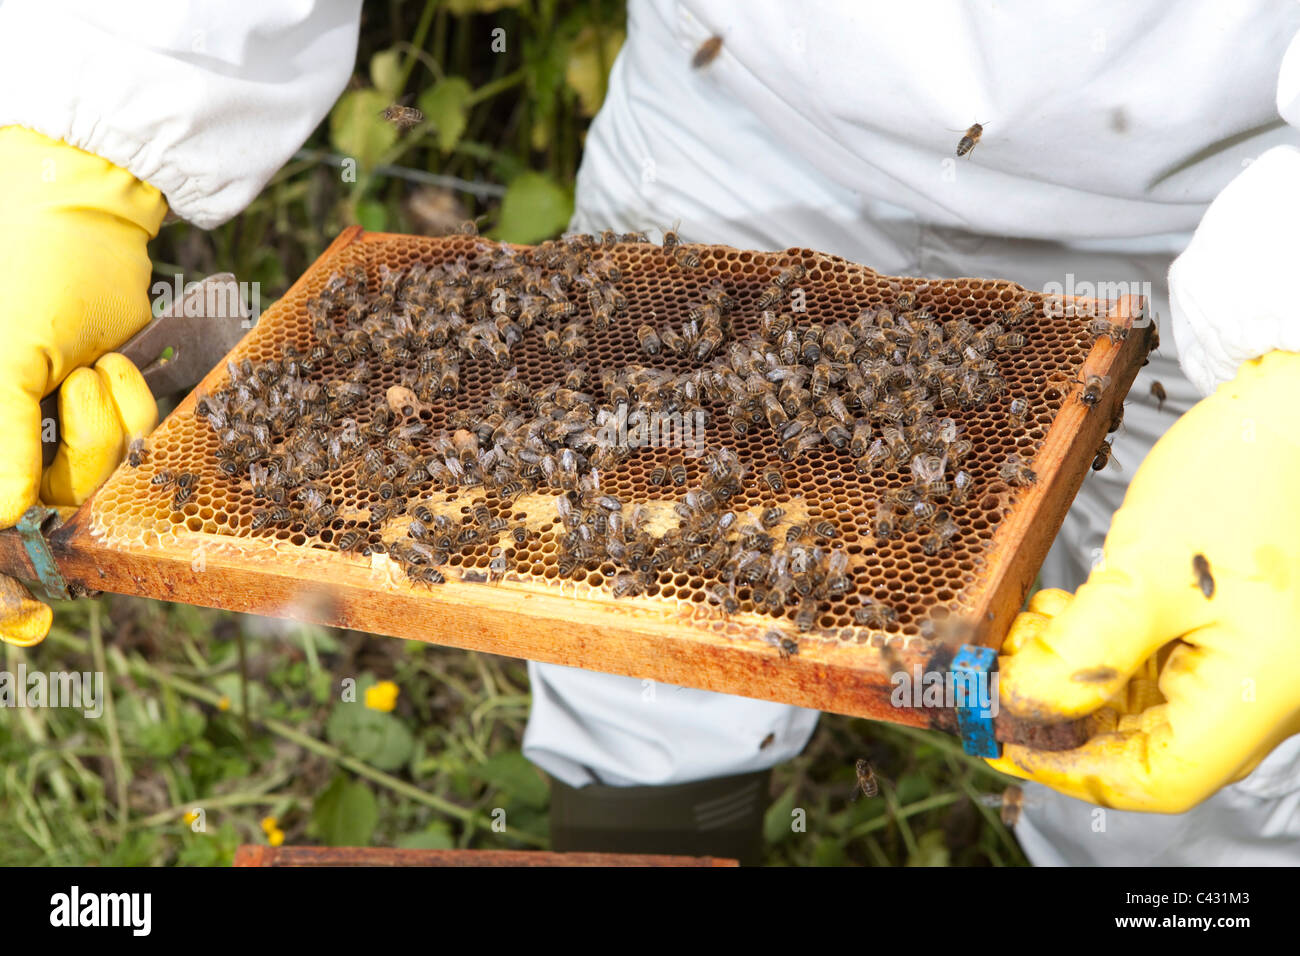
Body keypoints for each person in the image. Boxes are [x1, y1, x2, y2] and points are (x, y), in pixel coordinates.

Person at [2, 0, 1297, 865]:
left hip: (1217, 208)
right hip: (737, 124)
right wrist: (82, 142)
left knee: (1184, 712)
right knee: (635, 603)